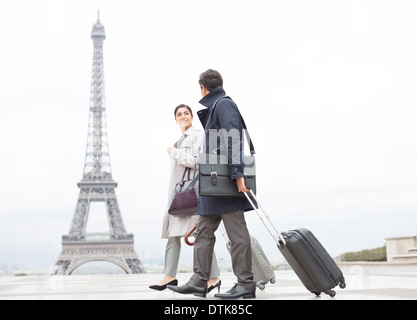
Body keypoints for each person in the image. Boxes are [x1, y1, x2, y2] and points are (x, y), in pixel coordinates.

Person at [167, 70, 256, 299]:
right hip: (214, 183)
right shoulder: (217, 105)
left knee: (237, 234)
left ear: (202, 88)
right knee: (204, 231)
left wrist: (238, 174)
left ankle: (246, 285)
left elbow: (233, 137)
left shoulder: (223, 105)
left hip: (226, 181)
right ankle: (199, 280)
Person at [149, 104, 221, 293]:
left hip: (191, 193)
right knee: (173, 234)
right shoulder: (180, 139)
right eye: (179, 114)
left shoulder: (199, 135)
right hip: (180, 194)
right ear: (175, 119)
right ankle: (169, 275)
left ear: (191, 117)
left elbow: (199, 162)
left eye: (186, 113)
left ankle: (213, 277)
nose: (183, 116)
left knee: (200, 236)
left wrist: (175, 153)